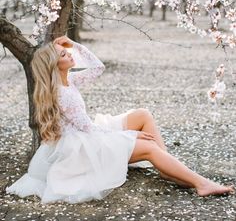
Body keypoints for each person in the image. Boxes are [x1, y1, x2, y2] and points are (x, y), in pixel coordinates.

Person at [6, 35, 234, 204]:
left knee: (143, 115)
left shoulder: (68, 80)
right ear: (54, 65)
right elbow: (89, 131)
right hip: (82, 148)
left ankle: (168, 168)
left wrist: (75, 45)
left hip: (88, 134)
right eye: (64, 55)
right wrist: (130, 135)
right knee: (150, 147)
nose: (70, 55)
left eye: (67, 52)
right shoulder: (63, 94)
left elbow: (97, 68)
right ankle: (200, 183)